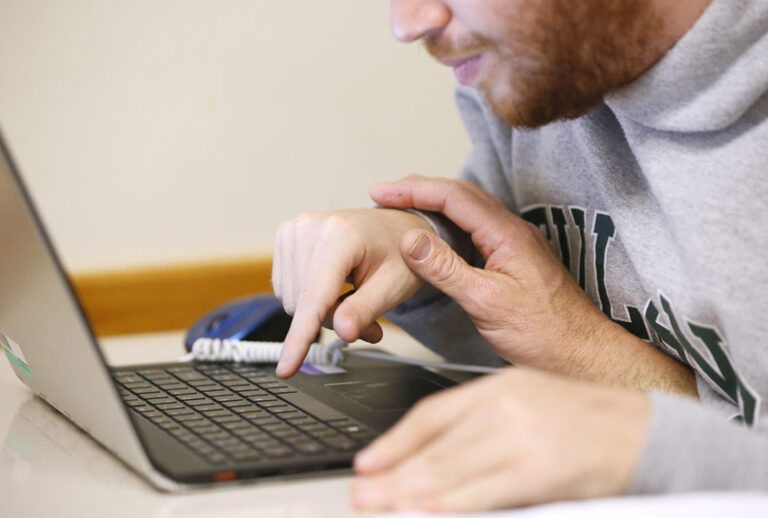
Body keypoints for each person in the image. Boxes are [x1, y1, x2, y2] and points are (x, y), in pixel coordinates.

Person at [272, 0, 768, 511]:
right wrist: (424, 238)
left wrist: (650, 445)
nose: (407, 24)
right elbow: (526, 254)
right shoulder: (542, 65)